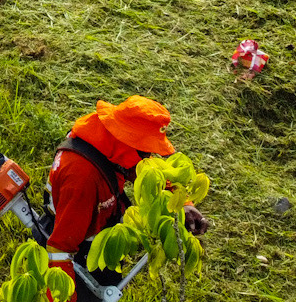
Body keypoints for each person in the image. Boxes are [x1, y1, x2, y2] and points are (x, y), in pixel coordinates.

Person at [45, 97, 209, 297]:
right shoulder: (82, 177)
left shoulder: (112, 141)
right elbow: (60, 248)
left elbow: (150, 174)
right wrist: (63, 296)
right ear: (128, 141)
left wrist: (183, 204)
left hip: (100, 221)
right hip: (77, 241)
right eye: (145, 150)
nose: (149, 157)